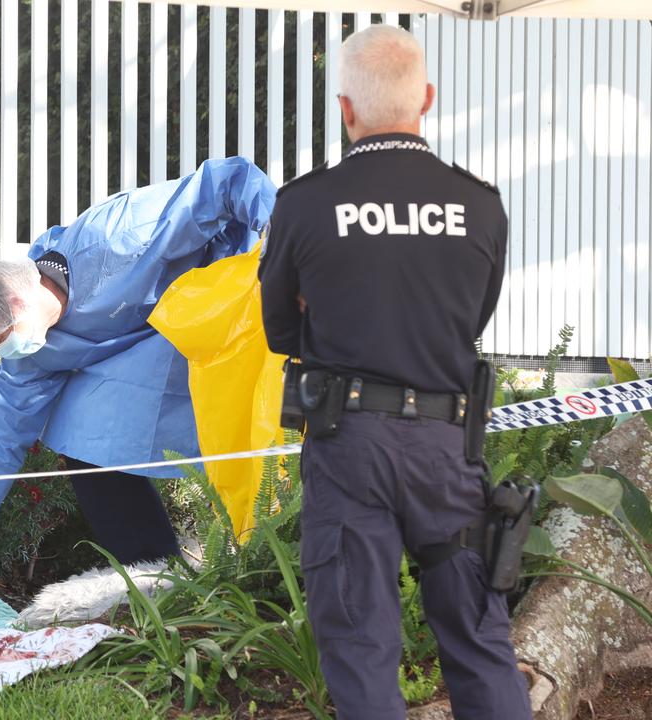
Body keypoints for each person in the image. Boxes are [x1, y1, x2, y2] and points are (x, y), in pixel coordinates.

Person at [258, 25, 531, 720]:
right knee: (477, 638)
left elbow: (279, 332)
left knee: (360, 643)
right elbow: (473, 317)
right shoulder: (481, 204)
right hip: (447, 448)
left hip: (350, 446)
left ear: (345, 108)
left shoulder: (305, 204)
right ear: (427, 99)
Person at [0, 157, 275, 612]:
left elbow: (226, 182)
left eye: (1, 340)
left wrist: (282, 242)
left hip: (235, 307)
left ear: (21, 299)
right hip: (156, 350)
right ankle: (159, 584)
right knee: (78, 426)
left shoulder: (118, 236)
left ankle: (267, 561)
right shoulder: (31, 355)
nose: (5, 354)